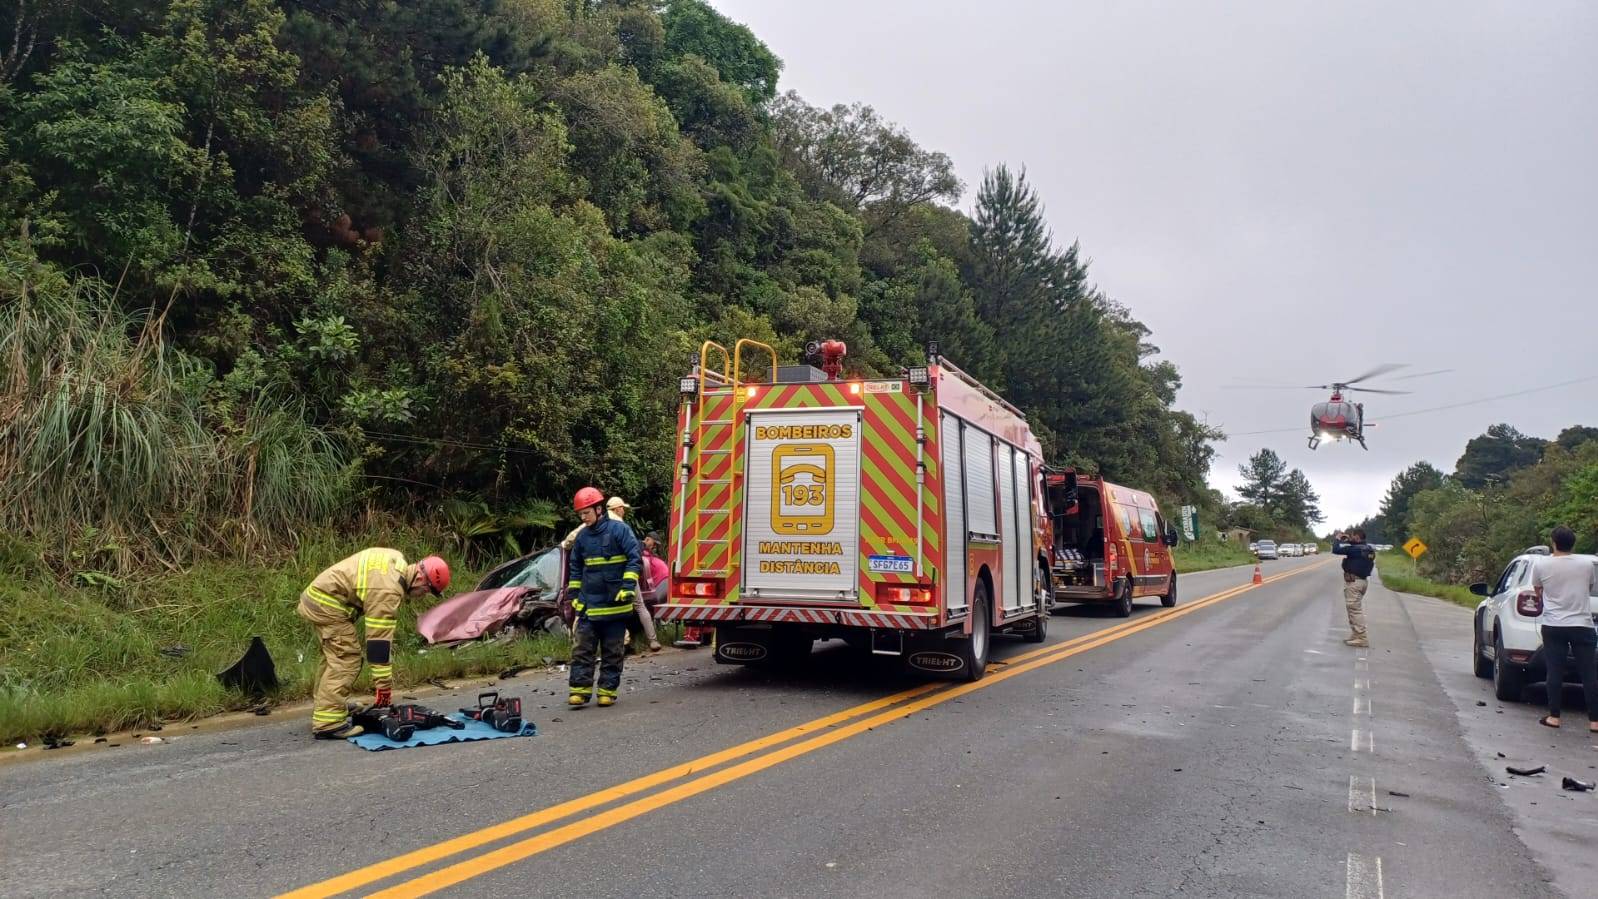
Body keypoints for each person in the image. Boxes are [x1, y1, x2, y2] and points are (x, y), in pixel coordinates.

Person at [297, 548, 450, 739]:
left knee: (333, 657)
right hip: (327, 605)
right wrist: (384, 689)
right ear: (420, 579)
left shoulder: (396, 559)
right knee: (347, 658)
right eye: (426, 591)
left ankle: (328, 706)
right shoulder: (388, 590)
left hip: (319, 597)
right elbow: (378, 645)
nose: (422, 595)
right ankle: (328, 722)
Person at [566, 487, 643, 708]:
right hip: (590, 607)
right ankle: (579, 691)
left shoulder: (620, 531)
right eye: (580, 514)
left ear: (599, 509)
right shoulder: (582, 537)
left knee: (613, 652)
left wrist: (628, 585)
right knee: (582, 650)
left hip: (616, 607)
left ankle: (607, 691)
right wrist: (574, 595)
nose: (583, 518)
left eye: (586, 513)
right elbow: (576, 568)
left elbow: (633, 558)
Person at [1532, 526, 1598, 732]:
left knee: (1555, 671)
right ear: (1573, 543)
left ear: (1553, 542)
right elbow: (1588, 588)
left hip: (1554, 624)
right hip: (1582, 625)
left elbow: (1538, 591)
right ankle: (1595, 722)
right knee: (1589, 673)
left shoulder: (1542, 564)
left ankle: (1554, 717)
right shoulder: (1587, 565)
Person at [607, 497, 660, 652]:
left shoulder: (600, 526)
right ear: (617, 510)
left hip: (610, 576)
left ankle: (621, 643)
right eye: (622, 508)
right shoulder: (623, 528)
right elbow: (634, 555)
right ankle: (653, 641)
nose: (624, 511)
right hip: (626, 575)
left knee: (614, 608)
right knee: (639, 606)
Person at [1331, 529, 1376, 648]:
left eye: (1351, 536)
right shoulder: (1368, 549)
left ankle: (1361, 637)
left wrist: (1338, 538)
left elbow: (1336, 550)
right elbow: (1354, 548)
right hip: (1362, 581)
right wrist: (1349, 541)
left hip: (1354, 582)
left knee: (1354, 610)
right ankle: (1356, 635)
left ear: (1357, 537)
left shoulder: (1356, 550)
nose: (1349, 538)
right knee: (1353, 609)